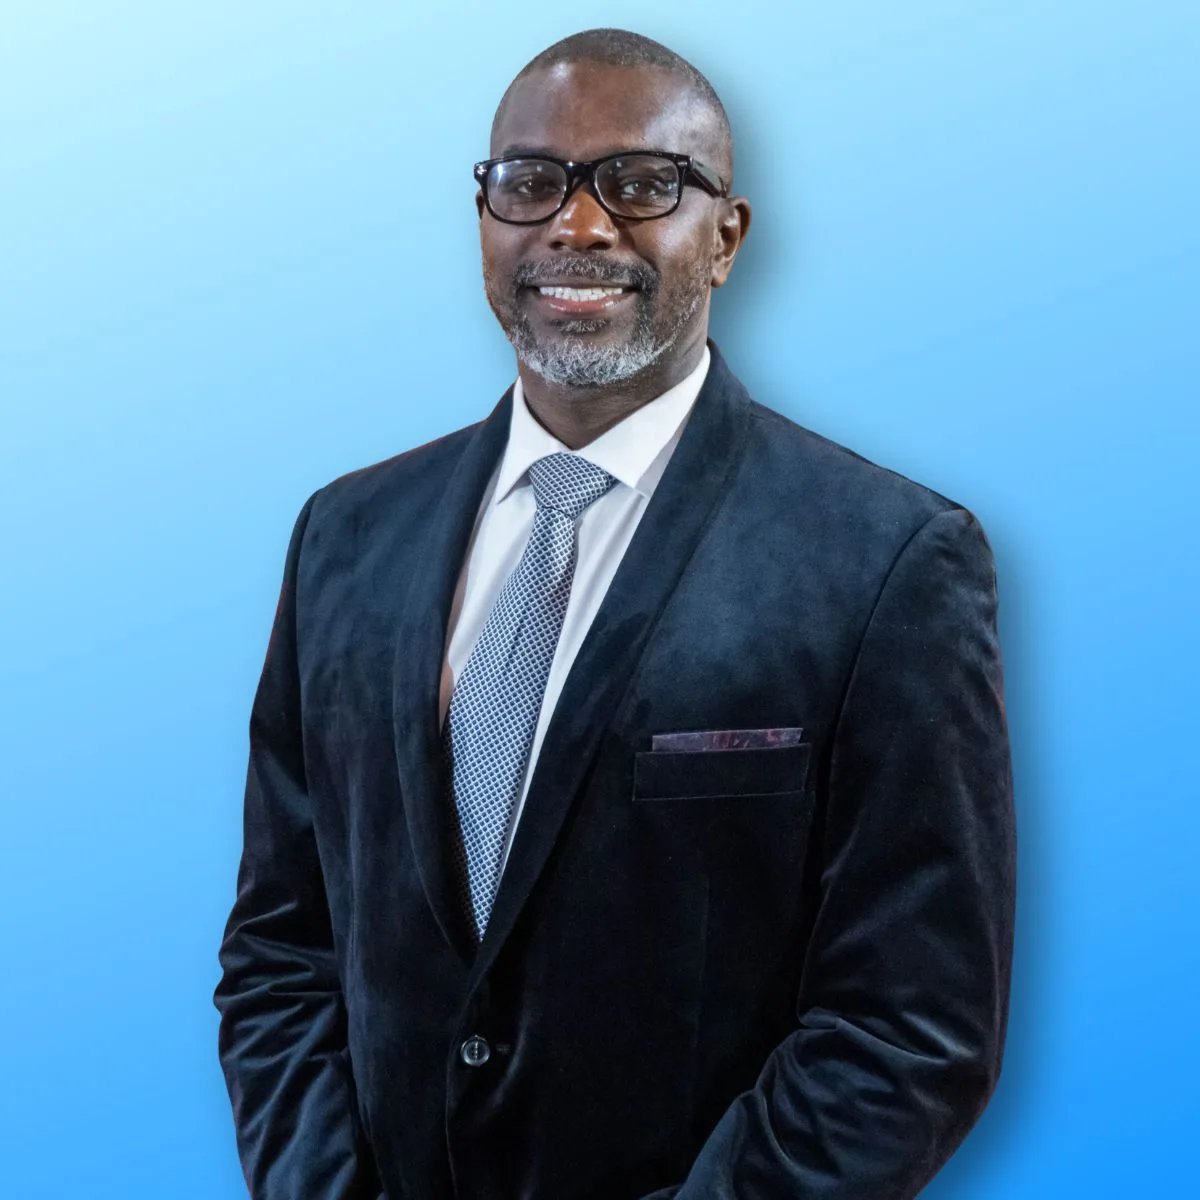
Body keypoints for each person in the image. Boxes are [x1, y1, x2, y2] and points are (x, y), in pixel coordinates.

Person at [214, 27, 1016, 1200]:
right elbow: (280, 948)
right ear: (484, 217)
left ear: (727, 236)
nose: (576, 227)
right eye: (529, 183)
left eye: (642, 185)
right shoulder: (346, 535)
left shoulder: (889, 560)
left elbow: (911, 1027)